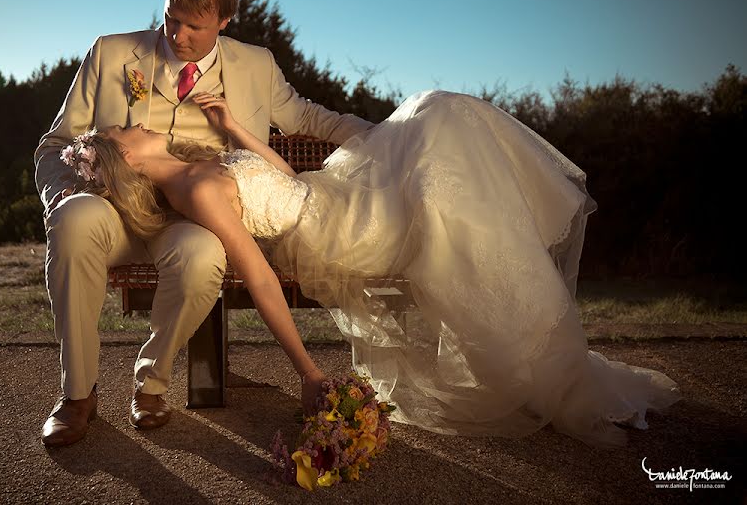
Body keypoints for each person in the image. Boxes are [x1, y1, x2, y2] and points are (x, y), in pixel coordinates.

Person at [61, 89, 683, 449]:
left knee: (442, 122)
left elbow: (280, 177)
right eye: (124, 129)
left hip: (329, 195)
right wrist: (307, 373)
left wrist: (235, 129)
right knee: (442, 142)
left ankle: (538, 344)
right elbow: (257, 272)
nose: (136, 121)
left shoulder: (198, 166)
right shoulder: (192, 192)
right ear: (130, 163)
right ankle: (539, 340)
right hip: (339, 230)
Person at [34, 0, 374, 447]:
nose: (177, 35)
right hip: (116, 206)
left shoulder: (256, 66)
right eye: (170, 19)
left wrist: (382, 137)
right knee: (73, 219)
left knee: (203, 255)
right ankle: (77, 394)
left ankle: (151, 384)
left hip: (197, 215)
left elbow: (309, 118)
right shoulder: (110, 53)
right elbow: (56, 142)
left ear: (224, 19)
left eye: (193, 25)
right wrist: (60, 191)